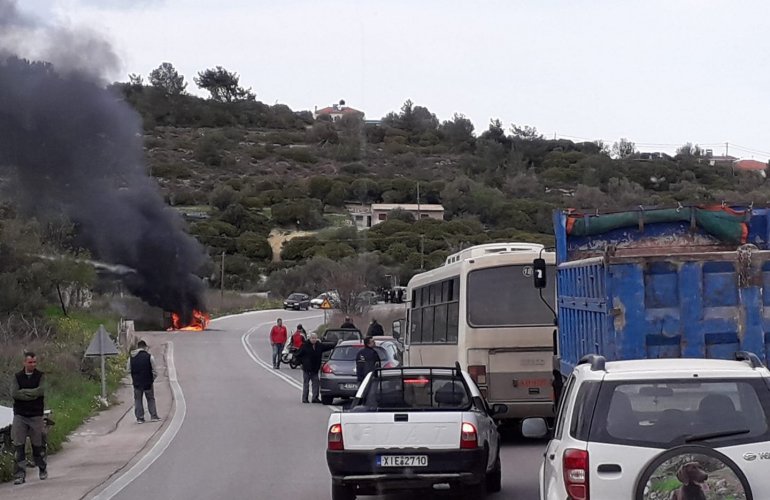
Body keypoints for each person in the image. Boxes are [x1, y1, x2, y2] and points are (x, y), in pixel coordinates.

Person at [11, 352, 47, 485]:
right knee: (18, 445)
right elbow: (14, 393)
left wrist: (24, 392)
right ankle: (19, 474)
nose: (33, 365)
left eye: (34, 362)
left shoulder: (40, 376)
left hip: (36, 414)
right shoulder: (17, 377)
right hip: (20, 415)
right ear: (24, 363)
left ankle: (42, 468)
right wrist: (31, 395)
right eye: (30, 362)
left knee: (38, 445)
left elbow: (41, 391)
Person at [294, 333, 334, 403]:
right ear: (309, 338)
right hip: (307, 369)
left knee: (316, 383)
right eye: (312, 338)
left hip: (315, 369)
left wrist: (336, 344)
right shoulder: (305, 346)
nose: (314, 340)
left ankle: (315, 398)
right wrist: (300, 363)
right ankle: (305, 398)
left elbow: (328, 346)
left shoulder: (319, 346)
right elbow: (297, 355)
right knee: (306, 384)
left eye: (315, 338)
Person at [128, 340, 160, 424]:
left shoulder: (131, 357)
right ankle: (153, 416)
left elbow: (128, 370)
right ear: (145, 347)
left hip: (136, 383)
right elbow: (155, 371)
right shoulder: (149, 357)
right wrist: (152, 379)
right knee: (150, 399)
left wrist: (133, 378)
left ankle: (140, 418)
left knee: (138, 400)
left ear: (138, 347)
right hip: (148, 382)